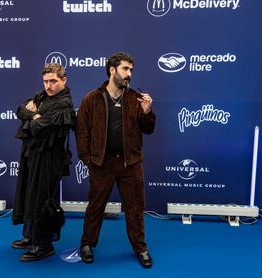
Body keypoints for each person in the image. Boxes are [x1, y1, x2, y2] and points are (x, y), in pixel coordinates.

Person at [76, 52, 156, 268]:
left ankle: (140, 247)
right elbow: (82, 132)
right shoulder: (91, 99)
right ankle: (86, 244)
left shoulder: (135, 99)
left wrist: (147, 111)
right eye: (125, 69)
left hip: (130, 164)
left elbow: (148, 129)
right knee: (95, 207)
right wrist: (87, 160)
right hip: (102, 164)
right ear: (112, 70)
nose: (129, 74)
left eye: (131, 70)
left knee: (135, 208)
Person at [12, 63, 76, 262]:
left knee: (42, 200)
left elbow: (40, 128)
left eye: (53, 81)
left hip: (50, 158)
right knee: (29, 196)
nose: (49, 86)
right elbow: (20, 110)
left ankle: (43, 245)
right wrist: (33, 114)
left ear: (63, 80)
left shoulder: (63, 103)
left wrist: (33, 117)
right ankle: (30, 236)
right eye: (46, 81)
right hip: (33, 154)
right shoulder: (42, 95)